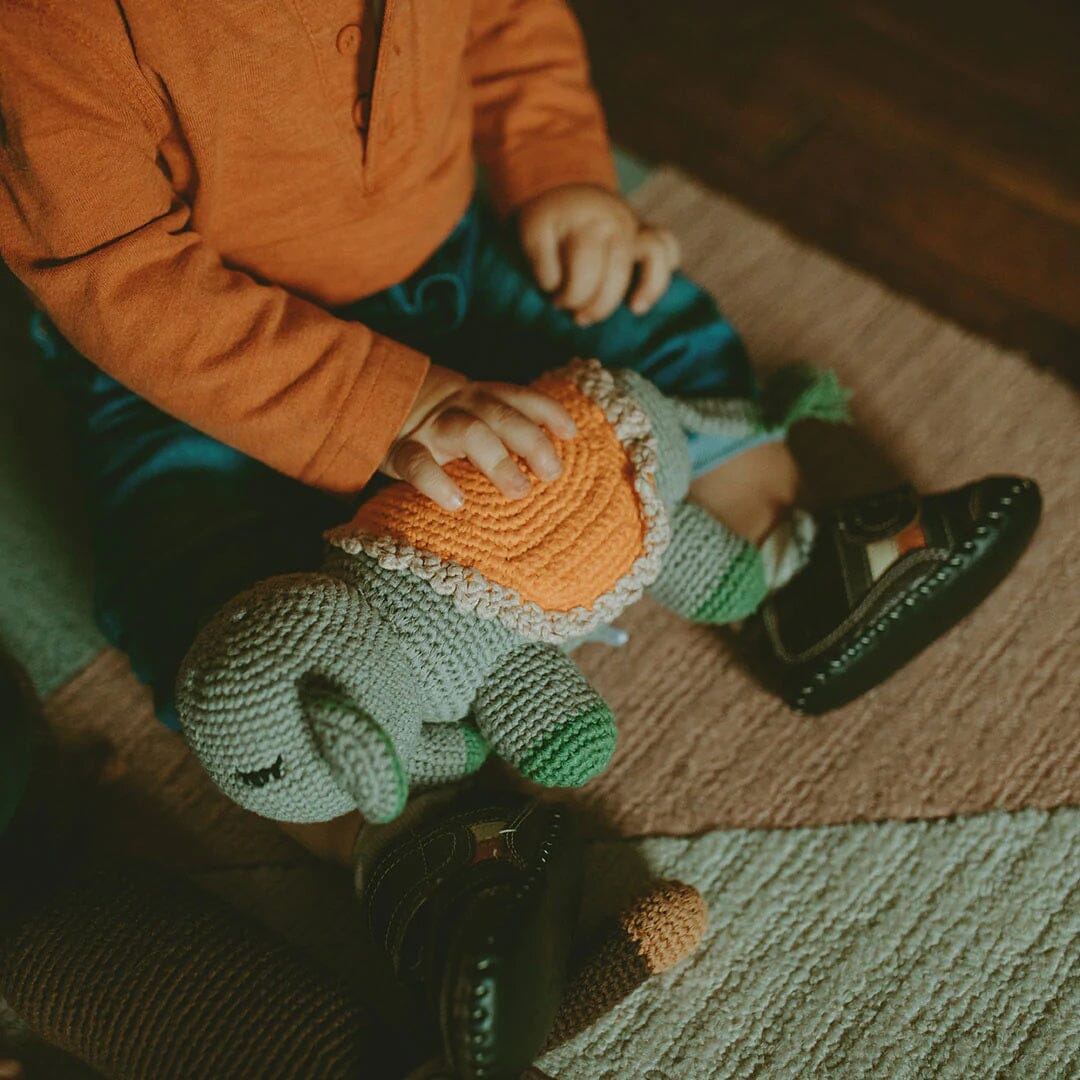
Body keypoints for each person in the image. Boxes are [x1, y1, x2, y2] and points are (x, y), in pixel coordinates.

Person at [0, 2, 1040, 1073]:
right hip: (196, 363)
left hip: (444, 253)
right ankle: (411, 847)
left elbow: (506, 24)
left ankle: (794, 560)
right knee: (206, 594)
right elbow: (117, 276)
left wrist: (564, 180)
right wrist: (387, 406)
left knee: (633, 312)